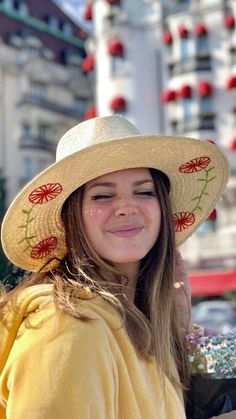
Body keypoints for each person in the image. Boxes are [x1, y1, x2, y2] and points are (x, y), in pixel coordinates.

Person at [0, 115, 229, 418]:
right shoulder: (68, 329)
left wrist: (180, 321)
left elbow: (209, 385)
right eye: (103, 195)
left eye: (145, 191)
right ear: (71, 219)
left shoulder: (136, 322)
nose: (126, 207)